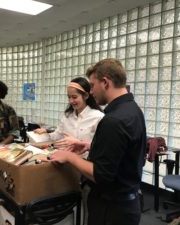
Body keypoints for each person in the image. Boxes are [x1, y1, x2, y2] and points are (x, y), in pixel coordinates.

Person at [49, 58, 147, 225]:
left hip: (111, 209)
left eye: (93, 86)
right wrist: (89, 146)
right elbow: (123, 152)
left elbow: (100, 175)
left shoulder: (113, 120)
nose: (91, 92)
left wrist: (69, 156)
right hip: (128, 203)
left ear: (105, 82)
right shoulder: (133, 110)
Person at [35, 77, 104, 156]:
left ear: (86, 96)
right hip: (65, 160)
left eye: (74, 97)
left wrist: (79, 142)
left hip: (85, 163)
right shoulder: (67, 116)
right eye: (69, 97)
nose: (71, 101)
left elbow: (102, 147)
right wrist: (45, 133)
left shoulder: (98, 117)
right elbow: (57, 135)